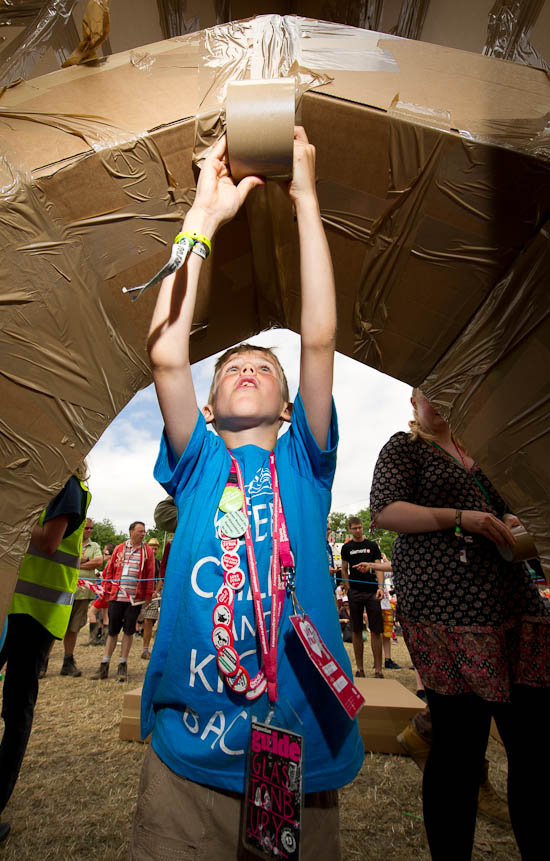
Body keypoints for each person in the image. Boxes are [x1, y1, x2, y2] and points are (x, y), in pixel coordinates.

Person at [130, 128, 363, 860]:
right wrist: (204, 211)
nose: (249, 367)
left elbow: (318, 338)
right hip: (187, 757)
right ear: (206, 409)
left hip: (294, 753)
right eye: (233, 365)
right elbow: (167, 349)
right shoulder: (196, 464)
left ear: (291, 408)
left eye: (266, 364)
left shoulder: (304, 462)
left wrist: (306, 197)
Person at [370, 388, 550, 859]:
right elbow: (386, 511)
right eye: (428, 394)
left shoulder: (487, 451)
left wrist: (512, 518)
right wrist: (460, 518)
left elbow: (518, 506)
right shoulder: (404, 448)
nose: (440, 402)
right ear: (413, 404)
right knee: (460, 748)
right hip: (447, 611)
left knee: (533, 744)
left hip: (511, 603)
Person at [0, 470, 90, 859]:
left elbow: (50, 543)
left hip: (35, 615)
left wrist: (1, 524)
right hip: (9, 607)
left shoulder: (68, 486)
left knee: (15, 715)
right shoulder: (41, 486)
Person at [91, 521, 155, 683]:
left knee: (128, 631)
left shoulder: (147, 552)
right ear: (131, 531)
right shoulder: (120, 549)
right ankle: (104, 664)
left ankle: (122, 664)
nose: (143, 534)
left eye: (144, 531)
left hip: (134, 599)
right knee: (112, 631)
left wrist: (147, 596)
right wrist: (106, 590)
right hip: (116, 597)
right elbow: (110, 570)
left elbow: (150, 573)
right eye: (140, 531)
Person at [340, 516, 384, 677]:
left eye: (360, 527)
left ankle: (378, 669)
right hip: (355, 592)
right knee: (357, 630)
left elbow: (379, 567)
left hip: (372, 591)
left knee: (376, 631)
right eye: (355, 528)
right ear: (350, 529)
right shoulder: (347, 547)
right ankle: (360, 668)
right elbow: (344, 569)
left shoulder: (372, 546)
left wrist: (380, 587)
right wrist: (348, 588)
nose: (358, 530)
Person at [60, 518, 102, 675]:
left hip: (84, 594)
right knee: (55, 626)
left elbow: (98, 562)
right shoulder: (69, 541)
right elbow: (62, 559)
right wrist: (83, 561)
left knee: (74, 628)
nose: (89, 531)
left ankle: (68, 661)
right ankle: (43, 661)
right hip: (64, 591)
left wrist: (77, 563)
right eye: (86, 528)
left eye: (91, 528)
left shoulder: (94, 546)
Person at [84, 542, 115, 647]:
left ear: (111, 554)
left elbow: (109, 579)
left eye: (105, 553)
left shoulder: (110, 564)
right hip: (106, 593)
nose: (103, 555)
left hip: (104, 593)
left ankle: (92, 638)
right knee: (105, 615)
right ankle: (104, 639)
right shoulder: (111, 564)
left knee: (91, 613)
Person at [140, 538, 161, 660]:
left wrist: (156, 591)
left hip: (152, 596)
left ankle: (145, 650)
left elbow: (160, 579)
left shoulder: (158, 563)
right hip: (139, 595)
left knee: (149, 621)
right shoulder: (142, 560)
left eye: (156, 548)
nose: (154, 550)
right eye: (152, 547)